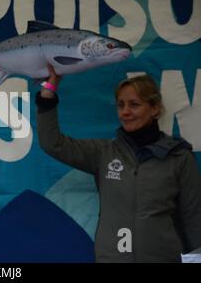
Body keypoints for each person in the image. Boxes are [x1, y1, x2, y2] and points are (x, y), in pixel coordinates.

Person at [36, 64, 201, 262]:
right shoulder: (104, 153)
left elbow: (194, 218)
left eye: (134, 104)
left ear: (155, 108)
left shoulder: (179, 156)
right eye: (121, 105)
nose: (125, 112)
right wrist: (48, 94)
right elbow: (53, 144)